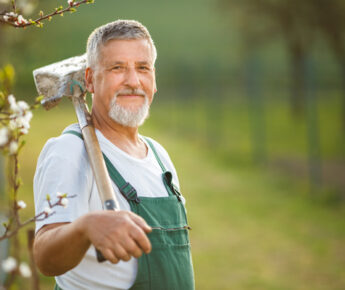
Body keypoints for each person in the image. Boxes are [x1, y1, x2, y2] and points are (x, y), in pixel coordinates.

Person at [33, 20, 195, 290]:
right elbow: (44, 257)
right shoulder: (70, 151)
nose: (133, 81)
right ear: (89, 80)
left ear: (154, 80)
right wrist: (85, 227)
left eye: (142, 68)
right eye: (117, 68)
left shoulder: (159, 155)